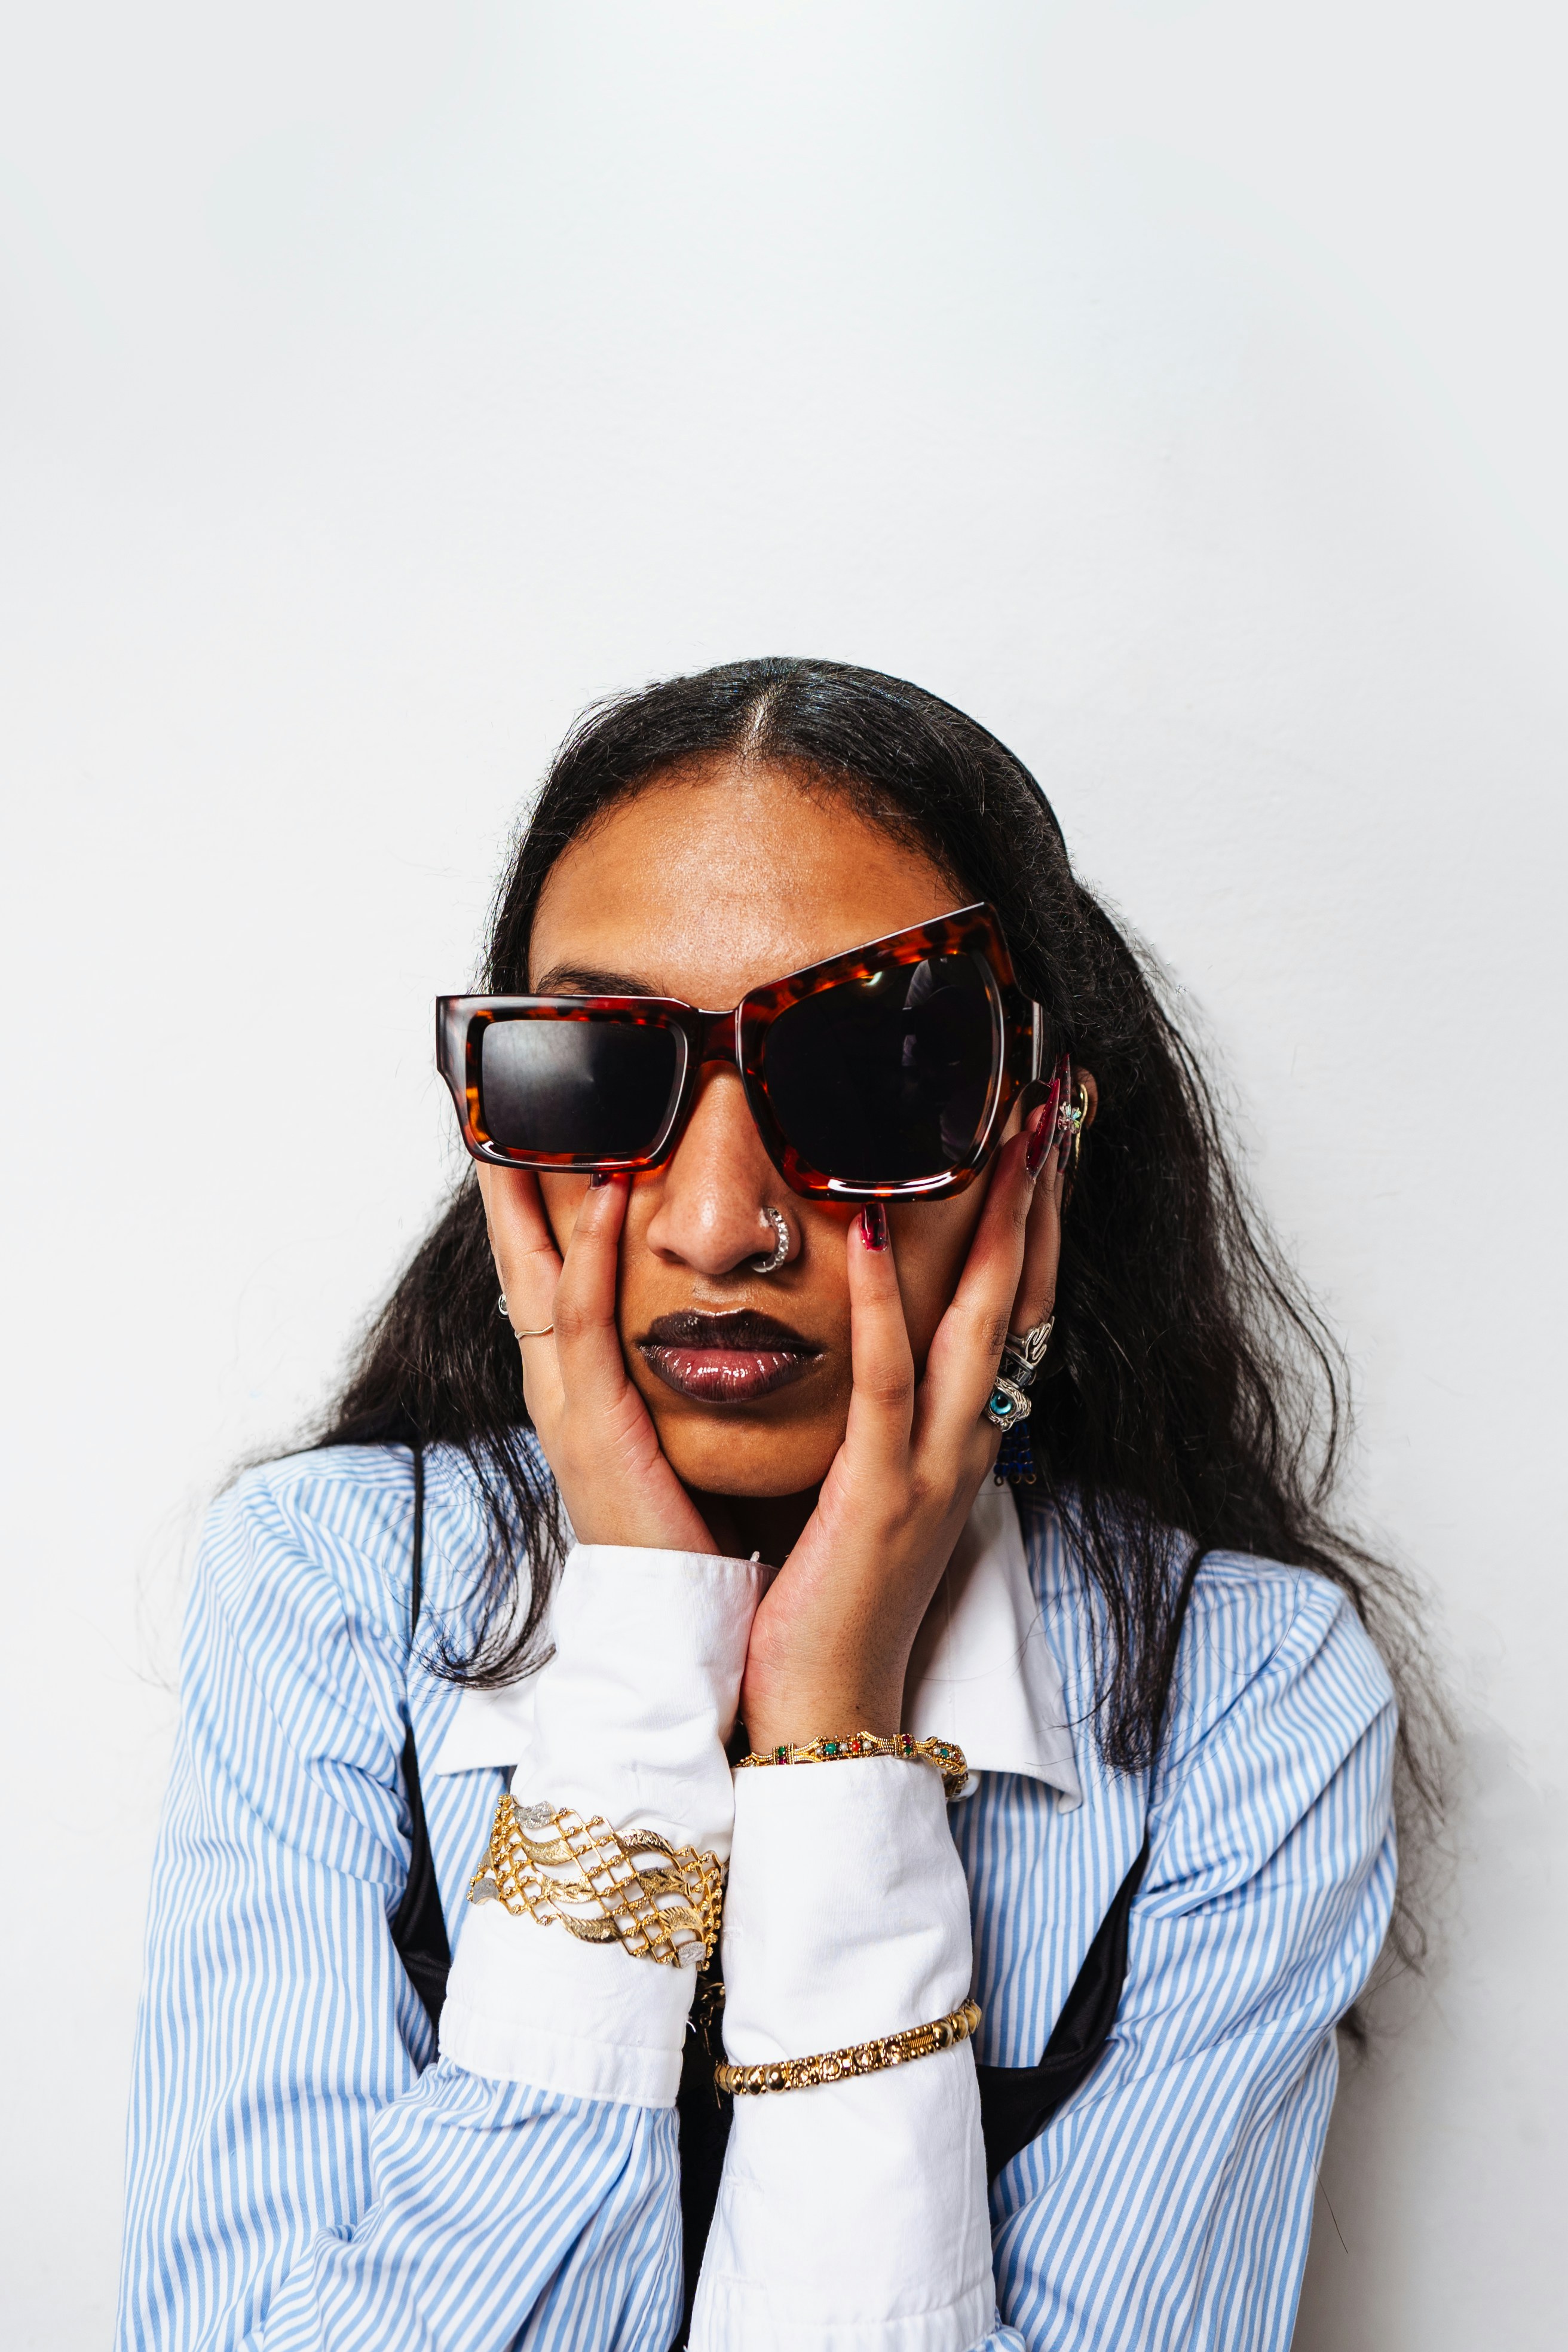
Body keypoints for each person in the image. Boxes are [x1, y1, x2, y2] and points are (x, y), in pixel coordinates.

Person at [117, 658, 1413, 2350]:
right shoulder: (336, 1588)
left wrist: (831, 1740)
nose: (721, 1222)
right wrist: (646, 1661)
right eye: (600, 1073)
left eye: (874, 1072)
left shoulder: (1245, 1694)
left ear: (1046, 1135)